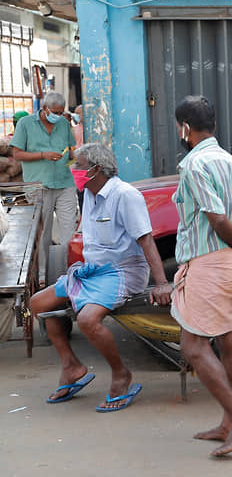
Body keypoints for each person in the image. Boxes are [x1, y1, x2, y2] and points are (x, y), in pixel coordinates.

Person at [151, 95, 232, 456]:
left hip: (208, 261)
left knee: (194, 347)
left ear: (185, 127)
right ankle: (229, 422)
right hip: (228, 263)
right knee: (229, 343)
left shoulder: (194, 165)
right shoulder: (231, 162)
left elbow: (217, 220)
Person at [29, 142, 172, 411]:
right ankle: (72, 367)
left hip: (124, 271)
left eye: (79, 166)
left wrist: (162, 283)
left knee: (87, 319)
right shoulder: (89, 194)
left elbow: (146, 240)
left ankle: (121, 374)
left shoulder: (125, 195)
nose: (75, 170)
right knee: (39, 303)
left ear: (95, 169)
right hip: (94, 271)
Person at [10, 92, 78, 285]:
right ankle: (42, 277)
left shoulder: (63, 124)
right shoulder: (25, 124)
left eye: (60, 112)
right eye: (54, 112)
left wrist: (75, 156)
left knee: (69, 232)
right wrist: (43, 155)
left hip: (65, 183)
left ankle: (69, 274)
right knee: (43, 234)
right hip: (39, 185)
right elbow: (17, 154)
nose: (57, 115)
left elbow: (71, 150)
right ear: (45, 108)